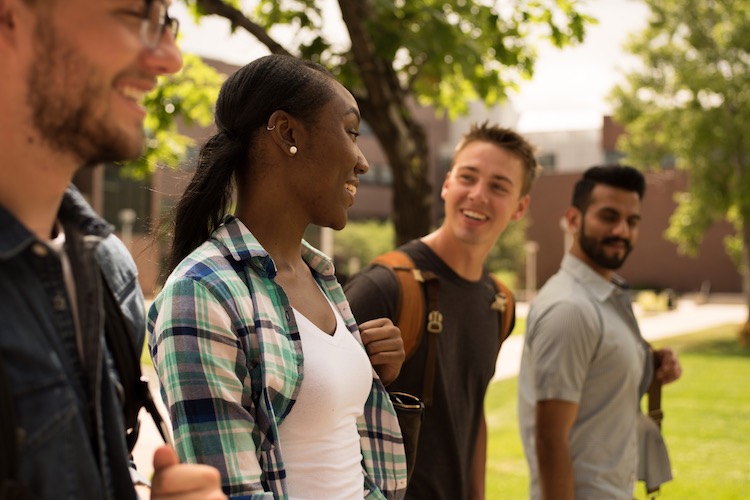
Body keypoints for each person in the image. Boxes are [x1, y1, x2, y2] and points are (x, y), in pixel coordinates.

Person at [148, 54, 408, 499]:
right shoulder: (202, 293)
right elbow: (231, 492)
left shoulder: (321, 276)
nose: (362, 162)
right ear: (287, 132)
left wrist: (368, 371)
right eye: (350, 132)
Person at [0, 0, 226, 499]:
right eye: (135, 15)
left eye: (167, 22)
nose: (170, 58)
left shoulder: (106, 270)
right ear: (11, 16)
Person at [345, 123, 540, 499]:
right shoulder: (385, 286)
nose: (478, 195)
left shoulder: (499, 302)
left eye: (499, 186)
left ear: (520, 207)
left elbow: (472, 411)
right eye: (468, 177)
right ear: (447, 183)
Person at [517, 165, 683, 500]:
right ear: (574, 219)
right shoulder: (571, 309)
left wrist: (650, 362)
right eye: (608, 216)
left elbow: (599, 366)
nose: (621, 230)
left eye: (632, 221)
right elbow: (550, 439)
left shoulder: (603, 296)